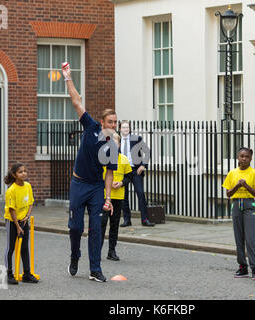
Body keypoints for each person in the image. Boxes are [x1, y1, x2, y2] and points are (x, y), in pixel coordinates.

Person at [62, 62, 117, 283]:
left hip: (95, 187)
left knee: (96, 229)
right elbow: (76, 101)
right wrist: (67, 77)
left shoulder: (111, 147)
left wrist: (107, 197)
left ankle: (95, 269)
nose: (113, 125)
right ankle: (75, 256)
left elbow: (110, 174)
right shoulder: (91, 127)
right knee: (75, 227)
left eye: (115, 122)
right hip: (78, 184)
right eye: (110, 121)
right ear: (102, 122)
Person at [222, 147, 255, 281]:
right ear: (238, 158)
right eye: (242, 156)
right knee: (239, 239)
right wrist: (237, 186)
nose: (244, 159)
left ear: (251, 158)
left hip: (249, 205)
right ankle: (242, 267)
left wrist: (246, 186)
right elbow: (228, 194)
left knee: (250, 240)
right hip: (236, 205)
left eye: (247, 157)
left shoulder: (254, 174)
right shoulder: (232, 173)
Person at [3, 163, 39, 285]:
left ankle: (27, 274)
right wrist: (17, 227)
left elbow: (31, 203)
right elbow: (11, 210)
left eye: (25, 171)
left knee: (24, 247)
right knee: (11, 248)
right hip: (12, 221)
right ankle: (9, 274)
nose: (24, 173)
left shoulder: (28, 186)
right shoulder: (11, 190)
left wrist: (27, 217)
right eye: (20, 172)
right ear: (14, 175)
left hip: (24, 220)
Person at [101, 132, 132, 261]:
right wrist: (107, 183)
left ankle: (111, 251)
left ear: (119, 144)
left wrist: (121, 183)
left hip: (118, 196)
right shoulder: (102, 159)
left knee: (114, 225)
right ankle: (97, 249)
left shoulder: (124, 160)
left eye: (116, 143)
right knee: (102, 224)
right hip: (104, 196)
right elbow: (97, 177)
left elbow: (129, 176)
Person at [118, 120, 155, 227]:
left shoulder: (136, 139)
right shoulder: (117, 140)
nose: (125, 129)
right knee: (124, 197)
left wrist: (143, 165)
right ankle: (127, 220)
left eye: (127, 127)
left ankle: (144, 219)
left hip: (135, 171)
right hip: (123, 172)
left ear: (130, 128)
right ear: (120, 129)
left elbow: (147, 151)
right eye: (123, 127)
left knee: (140, 194)